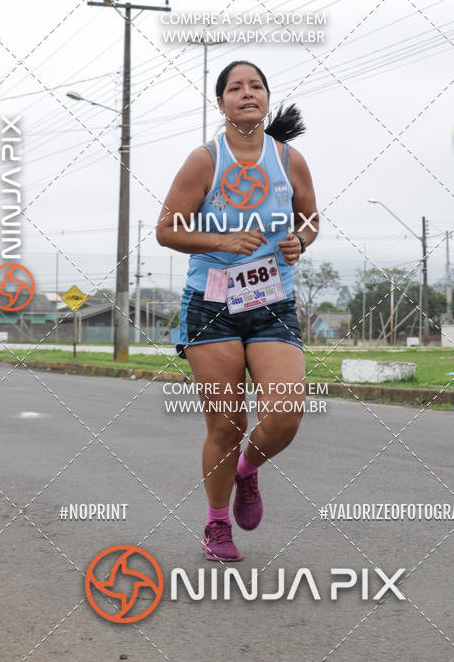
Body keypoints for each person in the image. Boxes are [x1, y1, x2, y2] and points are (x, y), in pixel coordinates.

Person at [156, 60, 319, 561]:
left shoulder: (289, 159)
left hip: (272, 302)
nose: (247, 93)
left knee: (285, 415)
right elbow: (167, 229)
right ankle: (216, 523)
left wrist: (299, 242)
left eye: (256, 86)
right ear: (221, 102)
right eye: (235, 88)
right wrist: (222, 241)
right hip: (212, 304)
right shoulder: (205, 160)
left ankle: (247, 470)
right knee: (226, 425)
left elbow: (310, 220)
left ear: (267, 97)